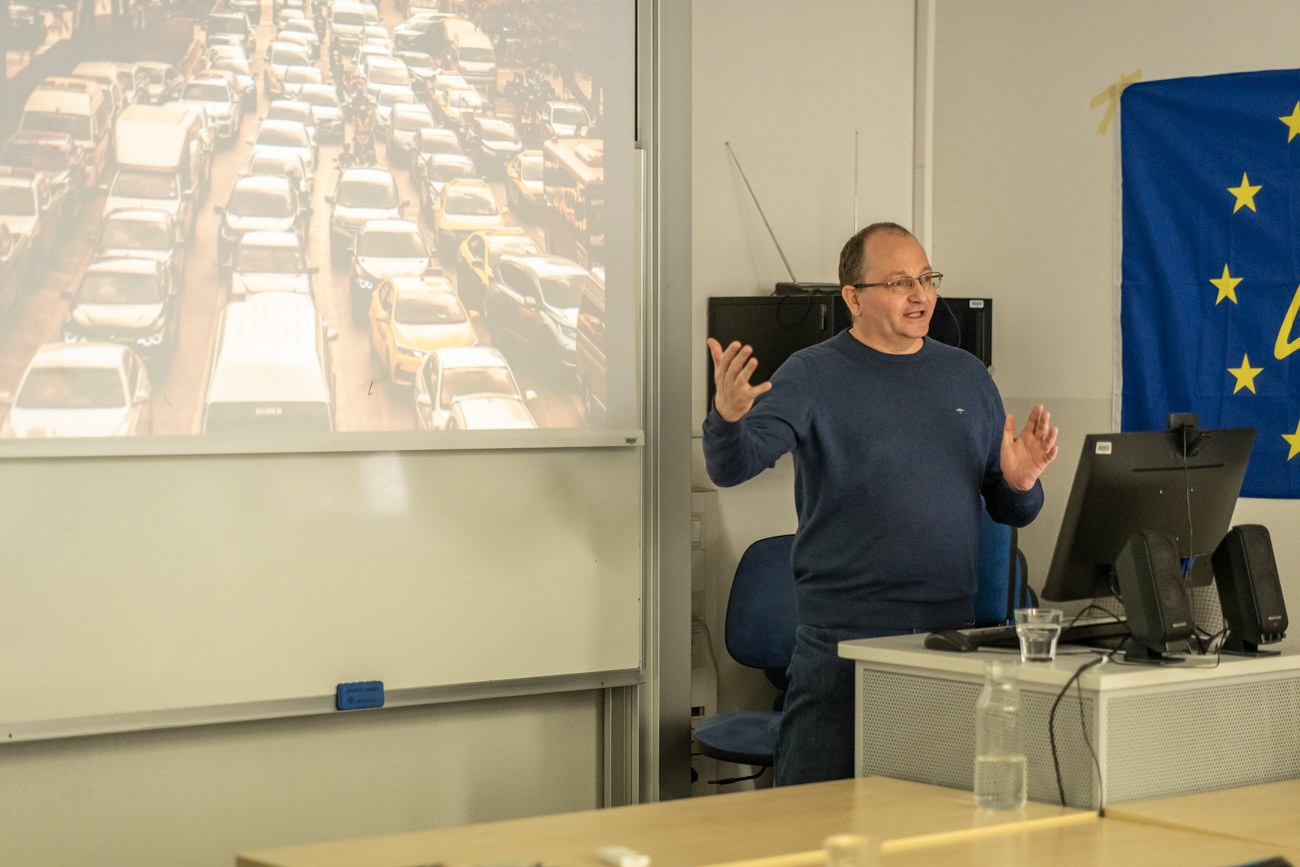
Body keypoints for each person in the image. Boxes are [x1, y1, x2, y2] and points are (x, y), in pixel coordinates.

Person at [703, 221, 1059, 786]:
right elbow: (732, 466)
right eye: (898, 283)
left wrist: (1021, 482)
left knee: (929, 814)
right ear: (853, 298)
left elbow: (1011, 508)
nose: (920, 295)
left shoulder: (966, 376)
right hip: (842, 639)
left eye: (926, 278)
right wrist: (726, 419)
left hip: (945, 633)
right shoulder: (811, 373)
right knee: (815, 813)